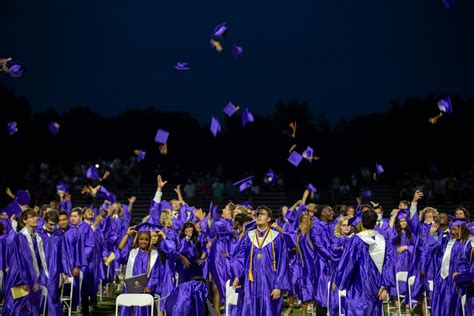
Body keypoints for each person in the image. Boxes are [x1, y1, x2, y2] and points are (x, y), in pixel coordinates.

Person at [233, 205, 290, 316]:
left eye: (262, 214)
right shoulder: (248, 236)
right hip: (250, 283)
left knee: (269, 311)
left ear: (269, 219)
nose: (259, 216)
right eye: (257, 214)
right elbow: (240, 258)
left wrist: (278, 286)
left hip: (270, 282)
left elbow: (282, 263)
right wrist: (238, 276)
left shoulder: (277, 237)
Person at [336, 209, 394, 315]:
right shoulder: (383, 239)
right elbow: (389, 264)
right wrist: (385, 286)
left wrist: (340, 280)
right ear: (375, 222)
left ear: (362, 222)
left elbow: (348, 263)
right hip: (377, 287)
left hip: (358, 286)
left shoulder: (356, 240)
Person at [2, 209, 49, 316]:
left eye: (36, 216)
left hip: (29, 276)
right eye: (31, 217)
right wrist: (33, 281)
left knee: (30, 305)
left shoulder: (37, 237)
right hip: (19, 277)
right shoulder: (21, 237)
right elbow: (26, 261)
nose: (35, 218)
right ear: (25, 221)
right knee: (19, 305)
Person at [117, 225, 160, 316]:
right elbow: (119, 252)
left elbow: (155, 274)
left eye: (146, 239)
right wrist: (127, 235)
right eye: (141, 239)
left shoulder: (154, 255)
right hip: (130, 288)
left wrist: (149, 287)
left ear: (150, 241)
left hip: (145, 290)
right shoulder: (132, 253)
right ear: (137, 240)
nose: (143, 242)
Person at [431, 218, 470, 315]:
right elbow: (436, 249)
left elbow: (465, 260)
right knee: (441, 301)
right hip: (442, 278)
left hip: (454, 278)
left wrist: (461, 272)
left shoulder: (466, 243)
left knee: (452, 302)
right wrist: (433, 234)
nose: (453, 232)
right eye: (452, 229)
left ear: (462, 230)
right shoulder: (449, 241)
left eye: (455, 229)